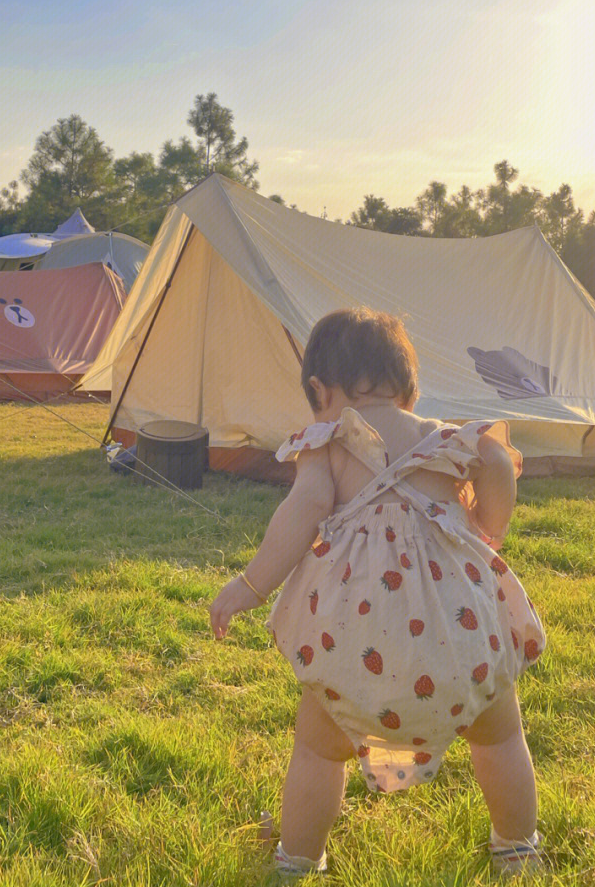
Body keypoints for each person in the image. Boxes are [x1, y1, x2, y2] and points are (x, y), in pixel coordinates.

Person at [209, 308, 546, 878]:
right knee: (501, 734)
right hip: (458, 645)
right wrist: (488, 527)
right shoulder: (446, 439)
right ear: (408, 390)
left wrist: (249, 585)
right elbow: (495, 458)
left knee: (317, 750)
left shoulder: (326, 440)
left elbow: (306, 509)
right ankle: (517, 850)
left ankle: (298, 861)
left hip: (354, 651)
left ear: (320, 390)